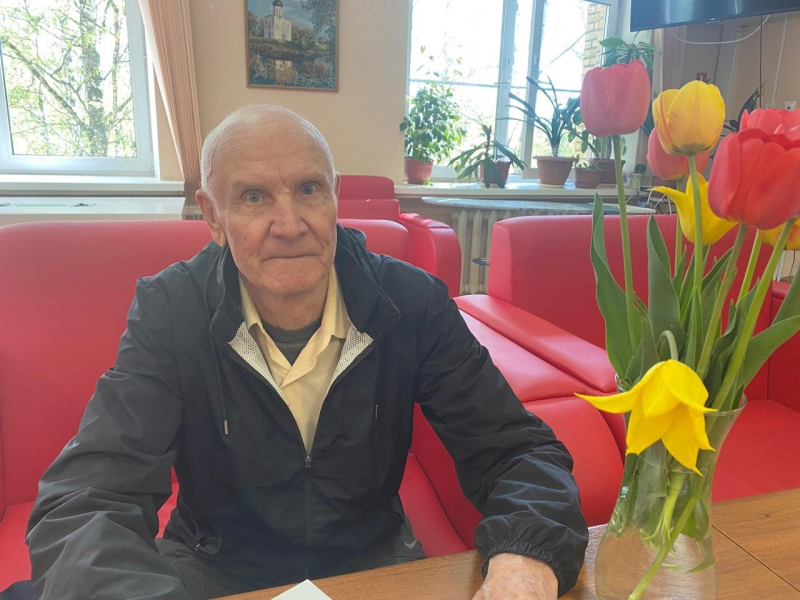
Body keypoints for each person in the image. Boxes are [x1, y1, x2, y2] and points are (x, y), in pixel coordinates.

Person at [26, 105, 588, 600]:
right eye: (253, 197)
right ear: (212, 216)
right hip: (215, 567)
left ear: (335, 195)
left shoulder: (411, 302)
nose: (289, 224)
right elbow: (88, 499)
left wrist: (526, 560)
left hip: (372, 561)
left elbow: (517, 451)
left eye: (308, 190)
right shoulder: (171, 310)